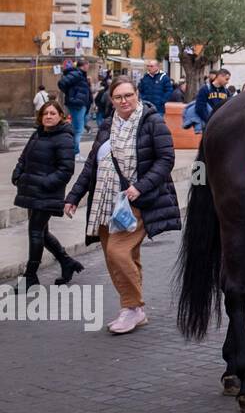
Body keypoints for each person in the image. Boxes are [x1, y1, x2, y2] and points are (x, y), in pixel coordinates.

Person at [63, 75, 180, 334]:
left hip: (136, 201)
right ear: (111, 100)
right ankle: (131, 308)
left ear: (137, 95)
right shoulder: (106, 125)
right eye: (118, 97)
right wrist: (73, 197)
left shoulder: (152, 123)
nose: (124, 100)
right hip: (105, 202)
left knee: (118, 253)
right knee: (119, 256)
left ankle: (133, 308)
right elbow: (91, 166)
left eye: (128, 95)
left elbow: (165, 159)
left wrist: (140, 186)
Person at [12, 99, 80, 289]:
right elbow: (23, 158)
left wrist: (44, 183)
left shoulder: (64, 138)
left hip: (47, 193)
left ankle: (30, 276)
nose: (48, 116)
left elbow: (66, 169)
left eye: (52, 113)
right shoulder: (37, 134)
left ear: (60, 117)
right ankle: (67, 262)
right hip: (30, 191)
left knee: (35, 231)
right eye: (45, 113)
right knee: (42, 232)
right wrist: (17, 174)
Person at [57, 59, 91, 154]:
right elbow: (62, 83)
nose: (88, 67)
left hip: (80, 104)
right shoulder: (77, 74)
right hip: (77, 104)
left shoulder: (81, 75)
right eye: (88, 65)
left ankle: (72, 150)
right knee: (78, 129)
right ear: (84, 65)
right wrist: (72, 96)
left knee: (77, 128)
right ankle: (75, 152)